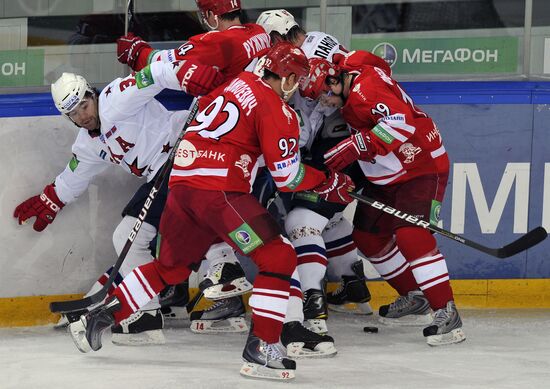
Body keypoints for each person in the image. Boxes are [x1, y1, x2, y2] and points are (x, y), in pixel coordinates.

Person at [67, 42, 355, 381]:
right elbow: (287, 176)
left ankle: (101, 316)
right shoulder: (277, 110)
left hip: (182, 186)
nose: (298, 88)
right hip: (220, 190)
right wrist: (328, 181)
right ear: (287, 78)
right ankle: (263, 347)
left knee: (169, 268)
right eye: (297, 80)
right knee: (278, 257)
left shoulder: (237, 83)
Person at [13, 60, 222, 345]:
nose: (82, 117)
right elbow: (75, 174)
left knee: (134, 235)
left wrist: (190, 70)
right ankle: (156, 303)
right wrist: (51, 200)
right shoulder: (88, 144)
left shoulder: (117, 97)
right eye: (73, 114)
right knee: (139, 236)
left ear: (92, 94)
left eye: (83, 107)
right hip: (163, 174)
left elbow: (156, 73)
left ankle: (155, 309)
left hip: (188, 153)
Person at [115, 0, 271, 329]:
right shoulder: (258, 34)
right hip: (248, 155)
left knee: (179, 214)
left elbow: (172, 63)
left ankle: (162, 302)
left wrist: (138, 52)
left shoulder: (217, 41)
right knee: (223, 222)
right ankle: (222, 273)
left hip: (213, 151)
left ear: (212, 14)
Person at [302, 54, 466, 346]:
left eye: (325, 94)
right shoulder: (354, 76)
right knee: (367, 237)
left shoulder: (365, 90)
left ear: (334, 80)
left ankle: (446, 312)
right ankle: (416, 296)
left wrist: (359, 144)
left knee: (411, 235)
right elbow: (379, 65)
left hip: (420, 167)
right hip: (387, 175)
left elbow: (401, 124)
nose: (324, 102)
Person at [256, 10, 377, 341]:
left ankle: (313, 304)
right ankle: (353, 283)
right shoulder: (324, 40)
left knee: (301, 222)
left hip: (337, 149)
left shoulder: (292, 66)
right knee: (328, 217)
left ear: (279, 38)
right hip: (352, 145)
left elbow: (305, 129)